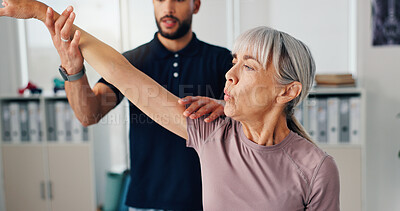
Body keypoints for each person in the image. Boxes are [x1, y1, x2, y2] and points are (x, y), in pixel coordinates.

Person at [1, 2, 341, 210]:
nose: (230, 73)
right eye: (235, 62)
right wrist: (37, 10)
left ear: (288, 91)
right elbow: (119, 73)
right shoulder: (211, 134)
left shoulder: (316, 170)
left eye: (248, 66)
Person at [0, 0, 231, 210]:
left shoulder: (223, 62)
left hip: (204, 200)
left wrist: (226, 105)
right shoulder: (132, 62)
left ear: (196, 5)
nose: (168, 8)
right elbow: (89, 113)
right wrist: (73, 70)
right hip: (145, 201)